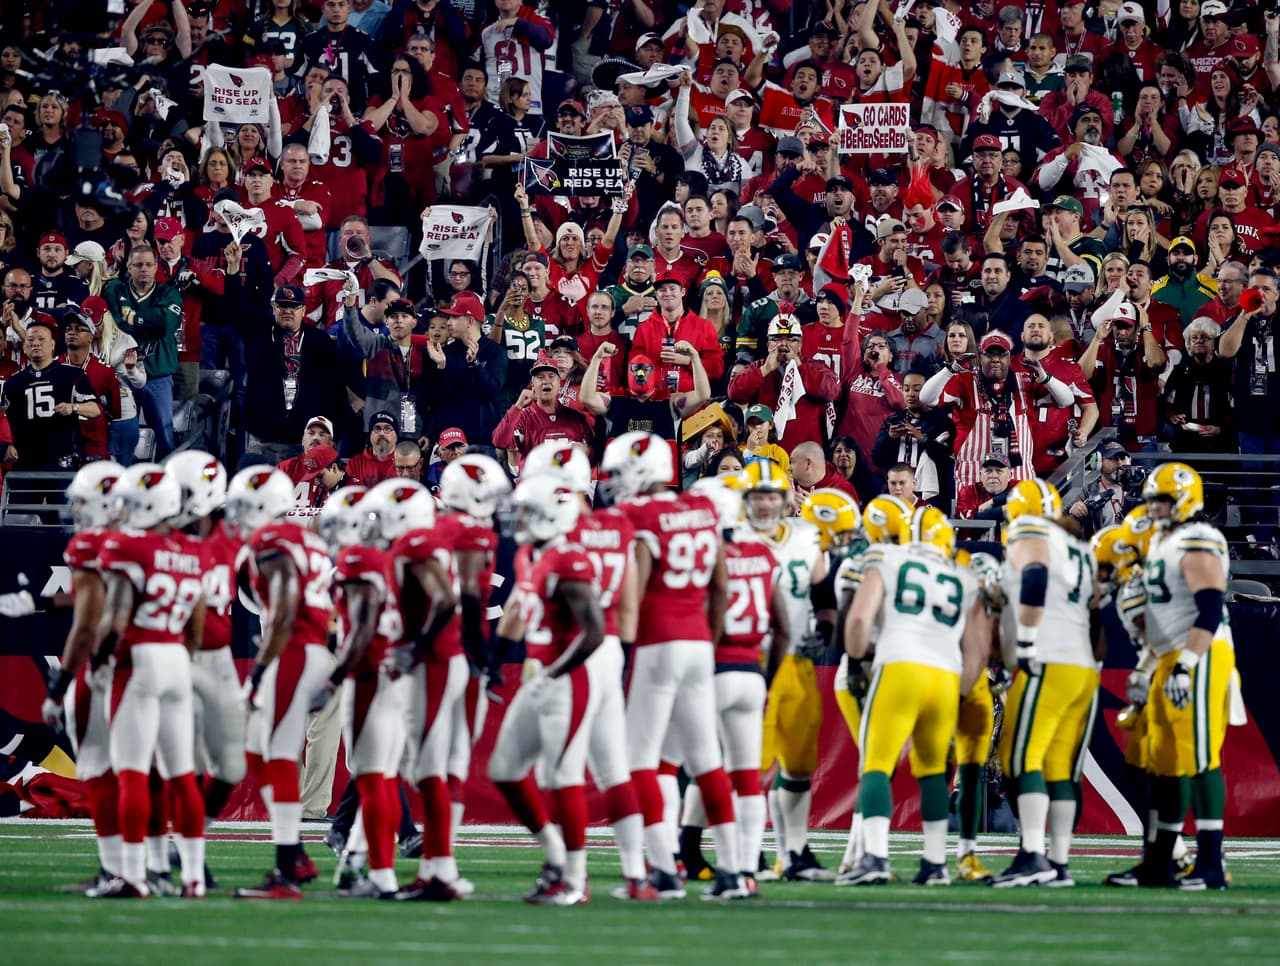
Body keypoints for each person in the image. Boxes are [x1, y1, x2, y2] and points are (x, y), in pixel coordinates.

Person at [601, 431, 746, 899]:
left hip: (657, 642)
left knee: (638, 761)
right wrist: (710, 637)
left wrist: (623, 651)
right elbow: (721, 586)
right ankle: (734, 871)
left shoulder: (638, 515)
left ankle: (662, 868)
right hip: (699, 643)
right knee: (706, 760)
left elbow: (634, 589)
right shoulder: (703, 510)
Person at [840, 506, 987, 885]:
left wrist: (856, 659)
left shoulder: (888, 558)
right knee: (933, 772)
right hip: (945, 675)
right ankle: (935, 863)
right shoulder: (963, 576)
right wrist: (960, 692)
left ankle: (874, 858)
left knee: (876, 763)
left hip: (900, 665)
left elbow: (858, 620)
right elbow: (978, 650)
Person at [1119, 463, 1236, 891]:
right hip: (1170, 656)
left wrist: (1188, 662)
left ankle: (1210, 863)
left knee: (1200, 756)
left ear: (1185, 499)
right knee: (1164, 760)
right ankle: (1160, 862)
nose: (1155, 508)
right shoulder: (1163, 543)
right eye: (1151, 501)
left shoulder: (1197, 537)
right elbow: (1162, 618)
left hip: (1199, 654)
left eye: (1162, 500)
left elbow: (1209, 606)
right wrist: (1147, 666)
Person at [94, 462, 207, 899]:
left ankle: (134, 876)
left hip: (138, 659)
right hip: (177, 655)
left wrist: (103, 659)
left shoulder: (129, 547)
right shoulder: (191, 550)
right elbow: (195, 626)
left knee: (134, 773)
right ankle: (194, 878)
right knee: (181, 774)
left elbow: (115, 619)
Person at [227, 466, 334, 900]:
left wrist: (257, 671)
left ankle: (287, 870)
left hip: (294, 650)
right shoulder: (306, 539)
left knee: (277, 753)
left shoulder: (271, 541)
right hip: (309, 648)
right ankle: (296, 856)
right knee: (259, 751)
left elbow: (286, 606)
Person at [993, 480, 1098, 888]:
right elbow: (1094, 610)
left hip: (1048, 658)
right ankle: (1058, 863)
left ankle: (1032, 856)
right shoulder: (1080, 549)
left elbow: (1034, 577)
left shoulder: (1031, 533)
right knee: (1058, 767)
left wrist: (1024, 642)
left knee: (1021, 758)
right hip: (1081, 665)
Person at [739, 459, 832, 882]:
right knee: (748, 764)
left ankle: (793, 851)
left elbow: (822, 591)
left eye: (772, 496)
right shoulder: (732, 538)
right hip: (745, 660)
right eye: (757, 497)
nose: (765, 505)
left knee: (797, 762)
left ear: (786, 499)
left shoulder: (806, 535)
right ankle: (746, 848)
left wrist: (826, 629)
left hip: (795, 661)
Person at [40, 462, 126, 895]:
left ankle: (118, 868)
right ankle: (154, 863)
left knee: (97, 766)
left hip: (110, 666)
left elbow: (89, 621)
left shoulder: (92, 545)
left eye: (83, 500)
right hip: (153, 661)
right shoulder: (145, 540)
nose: (75, 508)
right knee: (144, 769)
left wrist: (60, 686)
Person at [166, 452, 246, 838]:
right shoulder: (160, 537)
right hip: (170, 656)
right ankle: (181, 849)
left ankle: (191, 833)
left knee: (232, 765)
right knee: (185, 764)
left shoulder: (231, 537)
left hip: (217, 659)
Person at [226, 246, 349, 464]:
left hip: (305, 437)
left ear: (304, 310)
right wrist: (234, 270)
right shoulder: (260, 333)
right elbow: (236, 308)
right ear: (273, 308)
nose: (287, 311)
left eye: (294, 306)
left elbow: (335, 388)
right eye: (282, 306)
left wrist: (333, 428)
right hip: (264, 435)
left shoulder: (320, 341)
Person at [921, 330, 1075, 489]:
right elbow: (926, 398)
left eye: (1001, 354)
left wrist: (1044, 377)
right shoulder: (965, 381)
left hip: (1018, 473)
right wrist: (950, 370)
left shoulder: (1024, 381)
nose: (995, 359)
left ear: (1009, 358)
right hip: (973, 474)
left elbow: (1067, 400)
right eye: (989, 354)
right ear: (981, 357)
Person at [101, 246, 183, 458]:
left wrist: (131, 318)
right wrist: (148, 321)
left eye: (148, 264)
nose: (144, 269)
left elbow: (166, 325)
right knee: (123, 434)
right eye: (138, 265)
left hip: (158, 374)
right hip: (124, 377)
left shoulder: (169, 293)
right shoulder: (115, 291)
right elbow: (113, 326)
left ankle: (167, 483)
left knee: (165, 434)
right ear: (129, 267)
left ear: (156, 267)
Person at [728, 314, 839, 452]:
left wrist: (800, 369)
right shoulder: (759, 367)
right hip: (766, 452)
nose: (783, 345)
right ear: (768, 344)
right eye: (776, 339)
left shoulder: (814, 366)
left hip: (805, 454)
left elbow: (831, 391)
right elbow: (734, 393)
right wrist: (765, 370)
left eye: (791, 339)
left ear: (800, 345)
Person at [3, 318, 100, 471]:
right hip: (25, 461)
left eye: (41, 339)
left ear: (52, 345)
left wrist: (73, 407)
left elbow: (95, 409)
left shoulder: (72, 374)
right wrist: (6, 445)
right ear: (24, 347)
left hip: (61, 459)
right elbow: (5, 420)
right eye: (30, 340)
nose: (35, 343)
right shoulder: (13, 383)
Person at [1078, 300, 1167, 451]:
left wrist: (1146, 327)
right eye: (1118, 327)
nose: (1122, 332)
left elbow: (1156, 363)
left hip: (1143, 438)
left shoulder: (1146, 348)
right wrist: (1097, 338)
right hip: (1110, 438)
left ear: (1137, 327)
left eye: (1127, 327)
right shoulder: (1104, 349)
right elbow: (1081, 375)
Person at [341, 295, 430, 437]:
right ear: (386, 322)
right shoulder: (375, 345)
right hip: (379, 425)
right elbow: (355, 332)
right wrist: (350, 308)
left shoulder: (425, 351)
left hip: (413, 425)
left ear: (414, 322)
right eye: (393, 316)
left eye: (404, 316)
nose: (399, 320)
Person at [491, 351, 593, 471]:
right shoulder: (522, 416)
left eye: (551, 376)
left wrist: (587, 451)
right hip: (535, 484)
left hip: (566, 484)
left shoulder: (575, 417)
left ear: (559, 385)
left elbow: (592, 457)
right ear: (533, 386)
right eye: (540, 377)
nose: (546, 381)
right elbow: (499, 442)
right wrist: (518, 405)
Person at [871, 371, 956, 508]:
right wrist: (889, 437)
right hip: (896, 491)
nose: (910, 394)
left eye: (917, 389)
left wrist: (922, 438)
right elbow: (877, 459)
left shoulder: (941, 422)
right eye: (906, 389)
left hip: (930, 494)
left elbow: (946, 459)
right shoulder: (893, 420)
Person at [955, 454, 1015, 521]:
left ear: (1009, 476)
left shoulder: (1017, 486)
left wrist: (992, 502)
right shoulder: (969, 491)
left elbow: (1027, 493)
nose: (993, 475)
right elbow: (966, 521)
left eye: (999, 471)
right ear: (980, 476)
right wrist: (1003, 510)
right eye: (988, 471)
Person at [346, 411, 399, 485]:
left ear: (396, 435)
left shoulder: (408, 461)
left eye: (387, 429)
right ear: (370, 435)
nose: (382, 433)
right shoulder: (355, 463)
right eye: (377, 428)